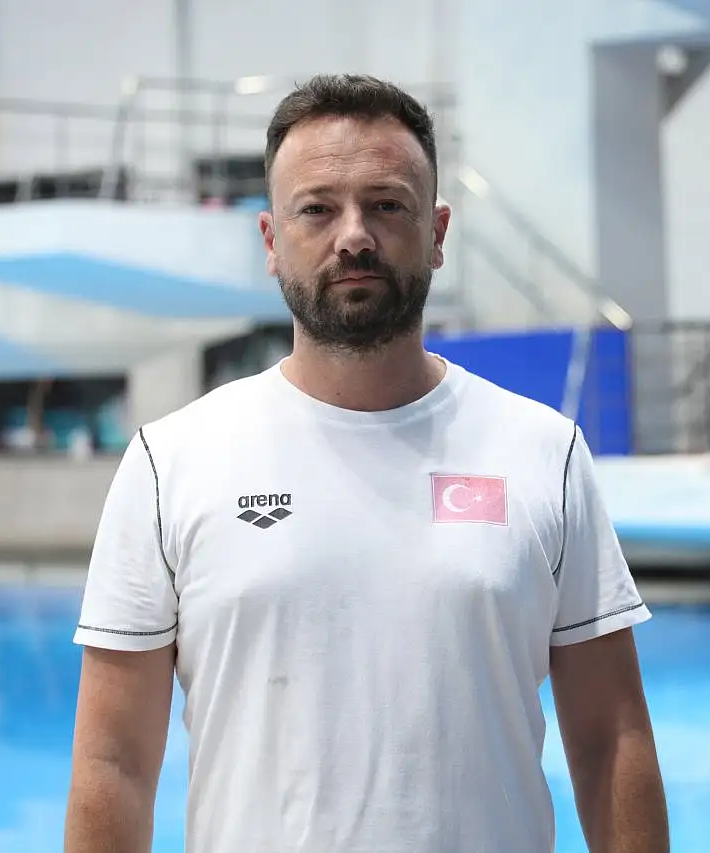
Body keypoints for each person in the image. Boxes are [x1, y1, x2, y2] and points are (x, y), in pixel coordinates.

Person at [64, 73, 669, 853]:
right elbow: (114, 763)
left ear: (438, 231)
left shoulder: (542, 452)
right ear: (271, 241)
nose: (354, 236)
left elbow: (610, 739)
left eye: (386, 205)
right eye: (317, 209)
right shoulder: (170, 462)